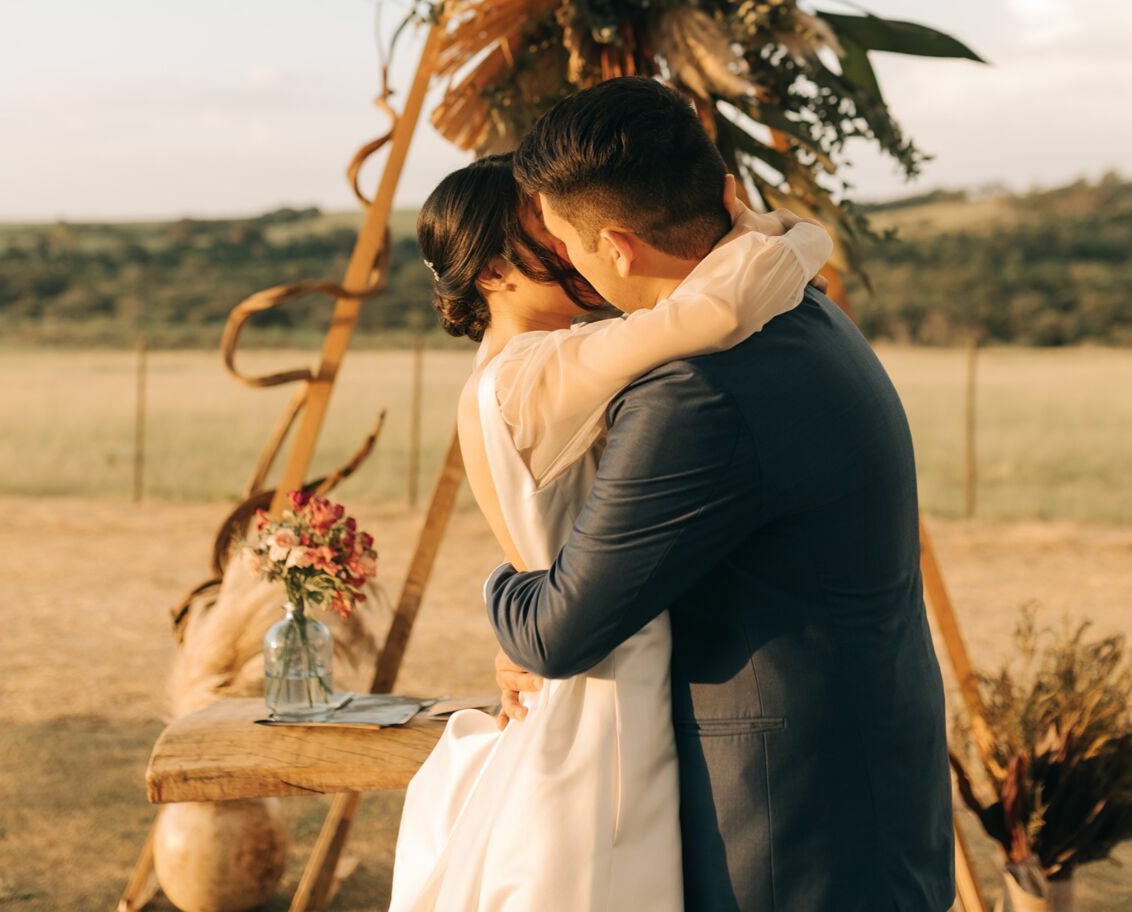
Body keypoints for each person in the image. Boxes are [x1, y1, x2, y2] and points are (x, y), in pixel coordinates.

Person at [486, 77, 957, 911]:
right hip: (869, 789)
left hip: (784, 834)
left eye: (570, 246)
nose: (574, 269)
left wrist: (501, 587)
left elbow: (558, 631)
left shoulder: (698, 393)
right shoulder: (803, 309)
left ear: (619, 249)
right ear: (728, 192)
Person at [389, 145, 832, 912]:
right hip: (610, 687)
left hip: (582, 664)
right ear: (493, 273)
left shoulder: (499, 376)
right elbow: (717, 310)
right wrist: (790, 233)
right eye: (550, 237)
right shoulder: (544, 370)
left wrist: (518, 627)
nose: (578, 248)